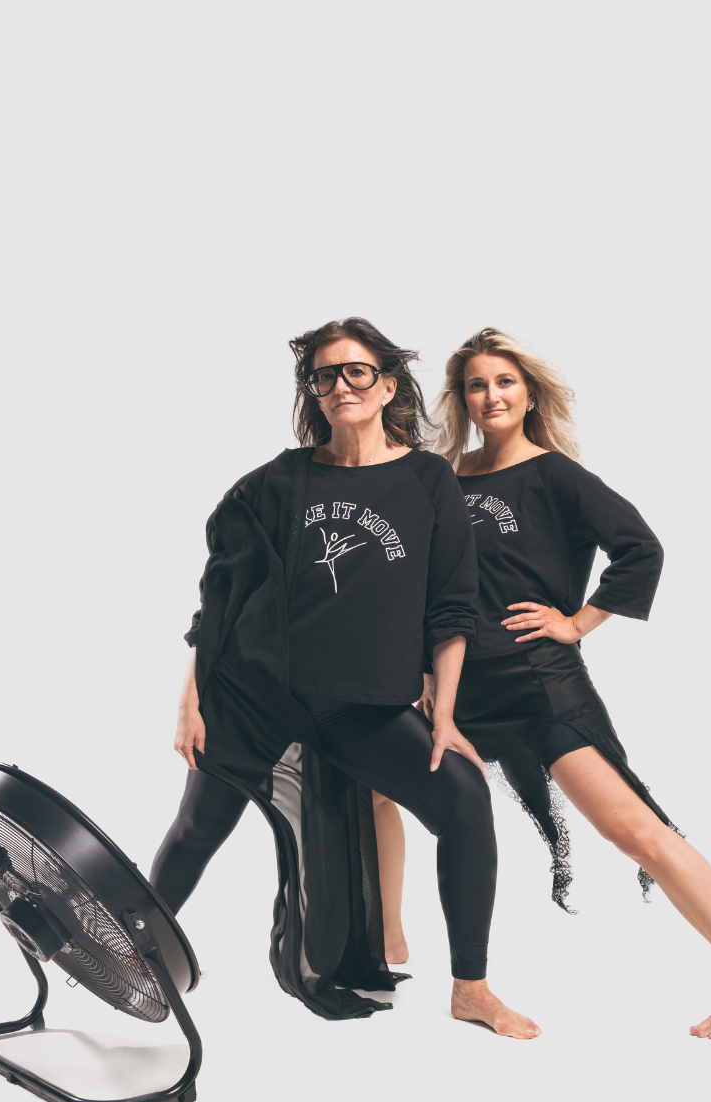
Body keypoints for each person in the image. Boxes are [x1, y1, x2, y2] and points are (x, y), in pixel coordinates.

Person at [375, 328, 711, 1040]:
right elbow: (424, 586)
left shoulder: (556, 476)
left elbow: (639, 548)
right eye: (477, 384)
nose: (491, 395)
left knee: (633, 830)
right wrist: (423, 674)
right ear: (463, 398)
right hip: (458, 690)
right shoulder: (443, 477)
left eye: (504, 381)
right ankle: (387, 943)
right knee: (372, 784)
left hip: (539, 684)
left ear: (528, 391)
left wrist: (580, 621)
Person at [149, 317, 539, 1038]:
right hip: (256, 695)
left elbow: (452, 609)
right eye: (324, 375)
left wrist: (445, 717)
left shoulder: (428, 482)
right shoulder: (275, 483)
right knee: (201, 824)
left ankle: (472, 988)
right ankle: (133, 954)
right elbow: (220, 599)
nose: (338, 386)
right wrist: (190, 700)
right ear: (314, 392)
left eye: (355, 371)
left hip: (362, 708)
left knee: (463, 800)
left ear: (388, 384)